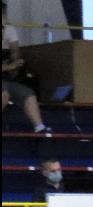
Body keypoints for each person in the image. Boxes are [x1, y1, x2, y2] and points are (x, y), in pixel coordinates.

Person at [2, 3, 49, 134]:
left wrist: (15, 59)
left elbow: (15, 50)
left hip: (6, 80)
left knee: (28, 94)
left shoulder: (9, 29)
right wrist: (9, 66)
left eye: (4, 14)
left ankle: (39, 128)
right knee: (3, 94)